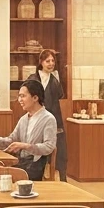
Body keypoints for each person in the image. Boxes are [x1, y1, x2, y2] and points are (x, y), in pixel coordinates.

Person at [0, 79, 57, 181]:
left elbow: (49, 146)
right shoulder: (24, 119)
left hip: (35, 166)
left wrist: (25, 146)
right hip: (21, 163)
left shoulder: (48, 119)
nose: (19, 100)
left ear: (35, 98)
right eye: (19, 96)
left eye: (23, 96)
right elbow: (12, 140)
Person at [37, 49, 69, 182]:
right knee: (37, 148)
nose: (51, 64)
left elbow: (60, 95)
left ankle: (62, 178)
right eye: (47, 61)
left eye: (52, 61)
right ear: (41, 62)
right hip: (38, 118)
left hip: (55, 117)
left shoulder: (54, 80)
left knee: (59, 149)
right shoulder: (34, 78)